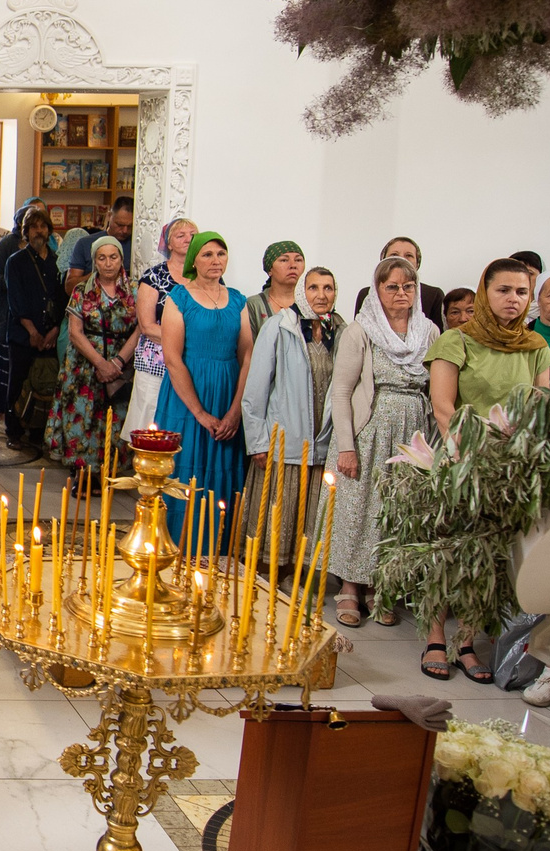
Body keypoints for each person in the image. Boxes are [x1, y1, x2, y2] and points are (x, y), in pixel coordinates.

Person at [420, 258, 550, 682]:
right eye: (503, 290)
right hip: (462, 460)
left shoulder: (535, 347)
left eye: (521, 292)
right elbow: (444, 407)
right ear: (484, 293)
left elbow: (541, 404)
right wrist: (470, 454)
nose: (513, 299)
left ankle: (467, 642)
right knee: (450, 549)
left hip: (508, 465)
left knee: (487, 557)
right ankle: (435, 636)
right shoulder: (457, 341)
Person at [328, 254, 434, 628]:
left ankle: (382, 587)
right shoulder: (361, 331)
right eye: (392, 286)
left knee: (396, 512)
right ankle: (350, 588)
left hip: (412, 431)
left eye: (408, 286)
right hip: (368, 431)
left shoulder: (428, 331)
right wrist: (346, 446)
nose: (401, 293)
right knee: (360, 510)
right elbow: (341, 391)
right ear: (378, 289)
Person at [239, 263, 338, 576]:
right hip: (284, 441)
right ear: (301, 292)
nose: (321, 295)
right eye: (313, 288)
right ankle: (269, 574)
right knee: (278, 515)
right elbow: (255, 388)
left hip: (323, 441)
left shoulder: (343, 331)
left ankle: (306, 576)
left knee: (313, 515)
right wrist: (257, 441)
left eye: (328, 288)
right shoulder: (280, 326)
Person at [160, 231, 248, 513]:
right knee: (187, 469)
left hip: (227, 390)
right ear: (194, 261)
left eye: (221, 254)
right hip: (187, 394)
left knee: (222, 468)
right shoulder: (179, 298)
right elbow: (172, 358)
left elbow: (247, 355)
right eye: (207, 255)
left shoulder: (238, 300)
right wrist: (199, 412)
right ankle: (179, 542)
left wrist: (235, 411)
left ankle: (219, 546)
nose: (215, 261)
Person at [51, 233, 140, 489]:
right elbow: (75, 332)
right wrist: (101, 363)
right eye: (102, 258)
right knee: (83, 416)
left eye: (113, 257)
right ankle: (84, 473)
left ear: (120, 259)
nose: (108, 263)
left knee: (115, 417)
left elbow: (141, 328)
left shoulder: (133, 290)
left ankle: (111, 472)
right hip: (85, 364)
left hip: (121, 362)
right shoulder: (82, 289)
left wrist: (118, 363)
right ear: (94, 262)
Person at [1, 209, 66, 452]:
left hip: (50, 334)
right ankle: (14, 431)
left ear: (49, 230)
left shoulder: (57, 261)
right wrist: (32, 332)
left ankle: (38, 431)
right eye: (33, 227)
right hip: (22, 335)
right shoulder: (15, 261)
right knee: (17, 383)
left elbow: (62, 300)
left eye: (43, 227)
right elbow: (15, 300)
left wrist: (54, 331)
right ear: (25, 231)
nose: (39, 231)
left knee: (46, 384)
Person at [125, 218, 196, 441]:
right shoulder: (154, 276)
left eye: (193, 234)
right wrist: (181, 340)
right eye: (181, 235)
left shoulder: (205, 277)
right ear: (169, 244)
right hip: (156, 360)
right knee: (149, 424)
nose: (188, 239)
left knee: (181, 426)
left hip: (191, 359)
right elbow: (147, 326)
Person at [351, 236, 446, 331]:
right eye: (394, 255)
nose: (400, 259)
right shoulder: (366, 294)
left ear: (417, 263)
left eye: (408, 255)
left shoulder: (434, 295)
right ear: (383, 261)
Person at [245, 240, 304, 340]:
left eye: (298, 260)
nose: (293, 265)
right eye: (284, 260)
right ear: (269, 269)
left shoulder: (310, 304)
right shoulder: (254, 305)